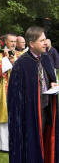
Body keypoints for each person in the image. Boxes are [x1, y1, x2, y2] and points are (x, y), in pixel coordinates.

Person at [8, 26, 59, 163]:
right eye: (41, 40)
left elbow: (50, 78)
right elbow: (14, 99)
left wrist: (53, 84)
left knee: (46, 141)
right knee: (31, 148)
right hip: (29, 117)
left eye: (45, 40)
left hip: (46, 110)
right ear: (31, 44)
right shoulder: (21, 65)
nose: (45, 43)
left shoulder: (46, 59)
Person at [0, 33, 24, 151]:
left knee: (15, 116)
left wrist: (15, 62)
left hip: (17, 89)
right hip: (3, 88)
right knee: (4, 116)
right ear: (5, 42)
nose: (13, 44)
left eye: (15, 41)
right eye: (11, 41)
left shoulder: (19, 54)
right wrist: (8, 61)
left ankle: (14, 142)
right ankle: (3, 145)